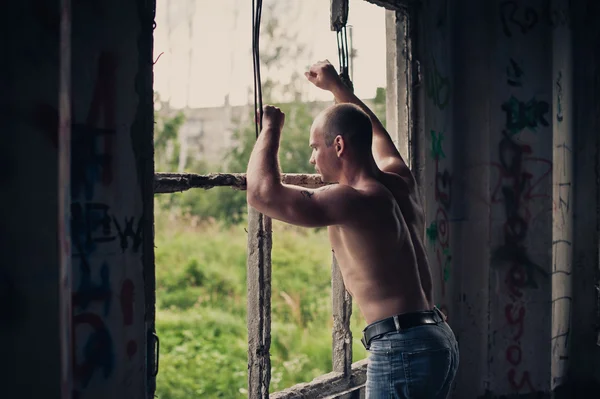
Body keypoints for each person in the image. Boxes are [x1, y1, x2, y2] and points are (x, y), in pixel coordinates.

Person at [246, 60, 459, 398]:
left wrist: (270, 126)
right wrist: (337, 89)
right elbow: (374, 132)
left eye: (316, 147)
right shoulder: (400, 180)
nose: (313, 159)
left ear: (340, 146)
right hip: (437, 337)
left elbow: (261, 194)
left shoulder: (350, 200)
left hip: (401, 347)